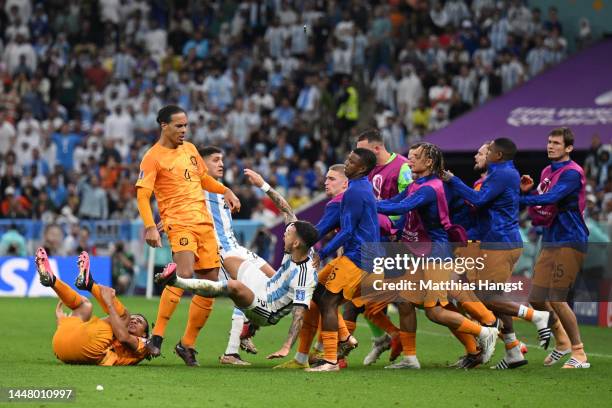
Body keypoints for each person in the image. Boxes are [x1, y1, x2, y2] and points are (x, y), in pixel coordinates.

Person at [156, 168, 318, 361]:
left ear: (297, 242)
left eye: (288, 234)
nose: (284, 234)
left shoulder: (304, 275)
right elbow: (287, 210)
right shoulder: (298, 247)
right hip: (266, 285)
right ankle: (239, 337)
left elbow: (299, 314)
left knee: (234, 287)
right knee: (232, 261)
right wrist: (262, 185)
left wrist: (285, 347)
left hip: (267, 309)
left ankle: (177, 281)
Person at [376, 143, 499, 369]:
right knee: (404, 302)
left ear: (429, 162)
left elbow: (403, 207)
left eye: (415, 157)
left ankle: (485, 332)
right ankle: (410, 359)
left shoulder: (430, 188)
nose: (410, 161)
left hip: (435, 253)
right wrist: (373, 203)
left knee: (435, 311)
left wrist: (366, 204)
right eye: (410, 156)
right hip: (415, 252)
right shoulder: (417, 184)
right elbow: (395, 201)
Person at [136, 105, 240, 366]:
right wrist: (150, 225)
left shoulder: (191, 149)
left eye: (186, 126)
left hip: (204, 225)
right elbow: (142, 194)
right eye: (179, 126)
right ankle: (157, 336)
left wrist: (225, 190)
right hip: (178, 223)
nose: (184, 130)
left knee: (209, 285)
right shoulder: (152, 157)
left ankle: (187, 344)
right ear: (164, 126)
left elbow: (203, 179)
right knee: (182, 276)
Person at [445, 137, 553, 369]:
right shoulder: (501, 174)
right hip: (493, 241)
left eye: (486, 151)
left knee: (485, 298)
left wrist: (453, 180)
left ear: (497, 155)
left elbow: (479, 200)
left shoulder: (501, 174)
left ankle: (536, 317)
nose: (479, 154)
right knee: (487, 297)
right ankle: (513, 350)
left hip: (499, 242)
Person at [520, 127, 590, 369]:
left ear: (569, 148)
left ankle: (579, 353)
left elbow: (551, 198)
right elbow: (540, 208)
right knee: (537, 299)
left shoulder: (572, 173)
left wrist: (517, 199)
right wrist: (529, 193)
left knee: (557, 299)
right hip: (550, 239)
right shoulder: (547, 171)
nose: (551, 146)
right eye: (549, 142)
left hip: (570, 239)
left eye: (557, 143)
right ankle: (562, 343)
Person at [306, 148, 382, 372]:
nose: (347, 164)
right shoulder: (362, 187)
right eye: (348, 160)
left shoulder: (353, 193)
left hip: (358, 255)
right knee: (319, 293)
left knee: (328, 301)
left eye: (351, 162)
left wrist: (323, 251)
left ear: (362, 168)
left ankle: (330, 360)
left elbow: (347, 230)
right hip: (362, 253)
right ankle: (344, 338)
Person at [200, 146, 276, 366]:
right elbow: (180, 204)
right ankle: (231, 353)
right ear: (202, 164)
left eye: (222, 159)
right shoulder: (198, 187)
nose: (221, 164)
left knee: (274, 283)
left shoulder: (221, 188)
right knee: (242, 293)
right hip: (222, 252)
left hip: (238, 247)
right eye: (215, 160)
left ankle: (248, 331)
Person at [352, 128, 412, 365]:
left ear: (377, 148)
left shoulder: (403, 167)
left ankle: (486, 335)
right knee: (365, 298)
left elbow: (410, 203)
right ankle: (383, 340)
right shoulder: (364, 171)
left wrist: (398, 231)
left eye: (362, 150)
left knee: (427, 303)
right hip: (373, 241)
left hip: (396, 241)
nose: (358, 155)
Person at [35, 247, 150, 366]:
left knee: (123, 315)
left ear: (144, 335)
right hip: (62, 344)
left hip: (77, 349)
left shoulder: (144, 344)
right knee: (85, 305)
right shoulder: (116, 331)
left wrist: (109, 303)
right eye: (134, 318)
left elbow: (123, 337)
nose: (134, 321)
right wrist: (63, 323)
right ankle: (52, 280)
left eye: (139, 321)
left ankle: (89, 283)